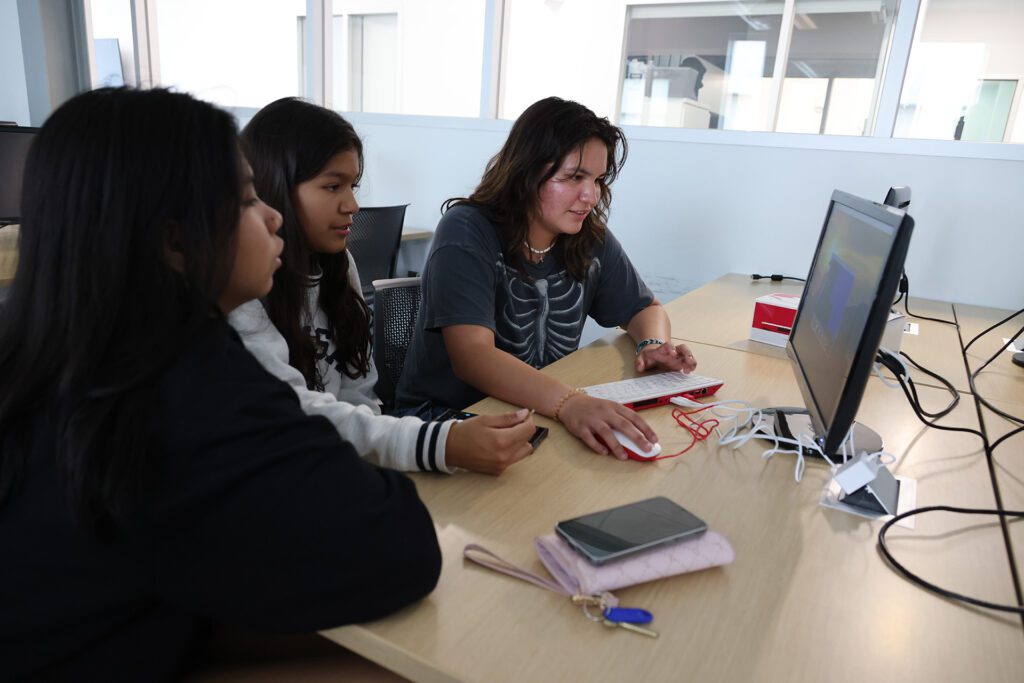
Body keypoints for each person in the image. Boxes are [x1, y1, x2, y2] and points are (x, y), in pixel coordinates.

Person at [0, 87, 440, 681]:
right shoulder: (186, 381)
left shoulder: (46, 349)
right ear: (175, 242)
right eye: (248, 199)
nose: (273, 216)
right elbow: (403, 547)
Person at [230, 98, 535, 476]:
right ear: (274, 187)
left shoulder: (339, 264)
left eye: (353, 185)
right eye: (332, 186)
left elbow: (359, 394)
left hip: (337, 464)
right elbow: (293, 412)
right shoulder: (241, 290)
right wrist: (438, 444)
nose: (352, 205)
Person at [396, 96, 699, 460]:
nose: (590, 196)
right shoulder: (466, 229)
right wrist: (569, 403)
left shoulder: (586, 236)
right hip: (447, 422)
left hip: (537, 408)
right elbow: (473, 355)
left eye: (598, 180)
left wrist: (651, 345)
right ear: (526, 172)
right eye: (574, 177)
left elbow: (644, 308)